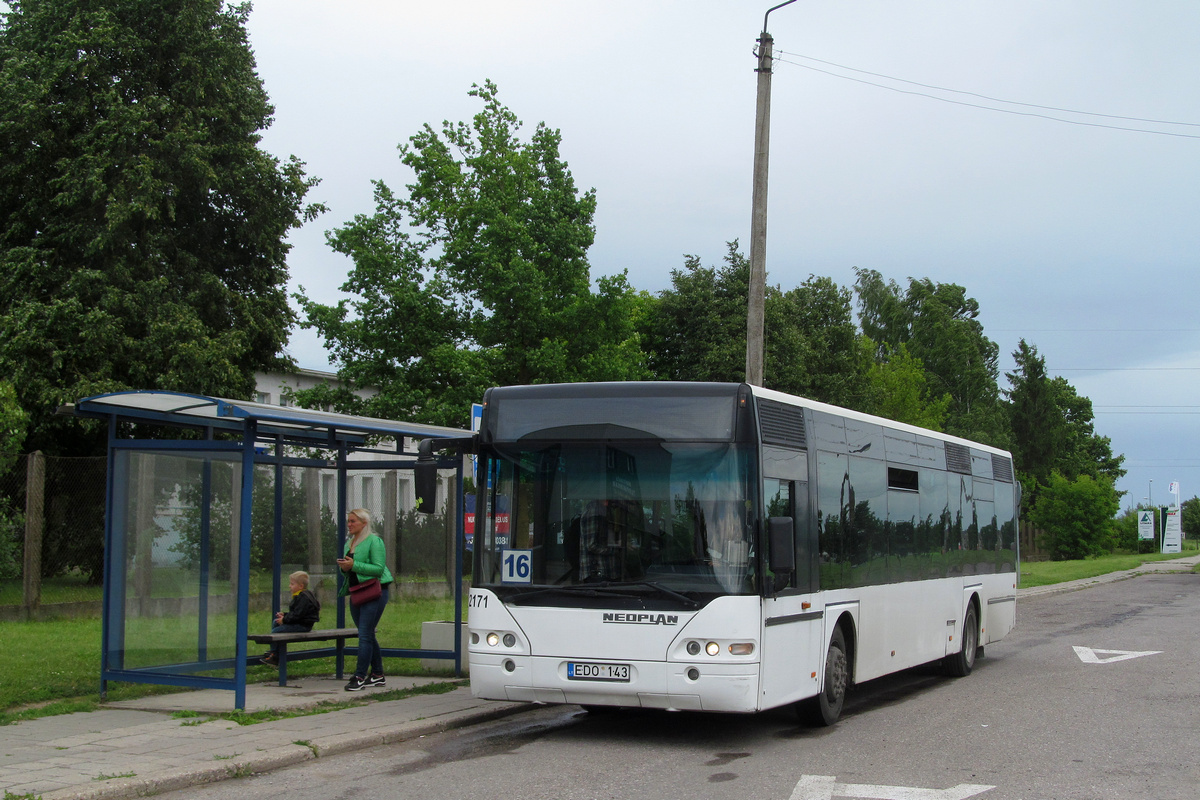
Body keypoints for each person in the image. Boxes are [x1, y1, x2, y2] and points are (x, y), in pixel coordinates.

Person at [336, 508, 394, 691]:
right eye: (348, 521)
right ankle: (377, 674)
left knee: (364, 634)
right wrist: (344, 568)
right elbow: (347, 569)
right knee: (366, 633)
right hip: (356, 592)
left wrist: (354, 565)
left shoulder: (374, 541)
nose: (349, 524)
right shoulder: (349, 543)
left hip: (375, 592)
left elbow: (378, 569)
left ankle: (359, 676)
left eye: (353, 521)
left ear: (364, 523)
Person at [260, 571, 320, 666]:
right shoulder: (301, 595)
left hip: (303, 626)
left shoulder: (303, 598)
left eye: (292, 584)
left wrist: (284, 620)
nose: (289, 586)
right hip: (300, 622)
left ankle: (275, 656)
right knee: (275, 623)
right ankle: (274, 651)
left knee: (276, 632)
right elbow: (297, 613)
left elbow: (298, 615)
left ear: (300, 586)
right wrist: (284, 615)